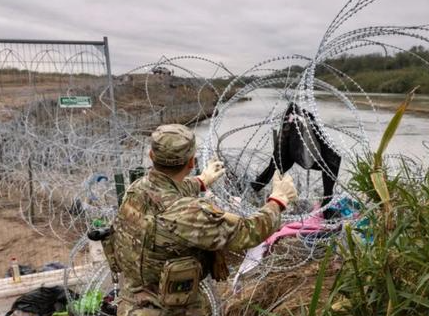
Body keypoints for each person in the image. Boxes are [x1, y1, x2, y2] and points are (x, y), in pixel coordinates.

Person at [110, 124, 298, 316]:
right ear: (191, 162)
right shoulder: (190, 213)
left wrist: (202, 180)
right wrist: (278, 200)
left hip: (131, 304)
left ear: (151, 156)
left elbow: (165, 193)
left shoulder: (137, 189)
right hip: (172, 311)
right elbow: (248, 232)